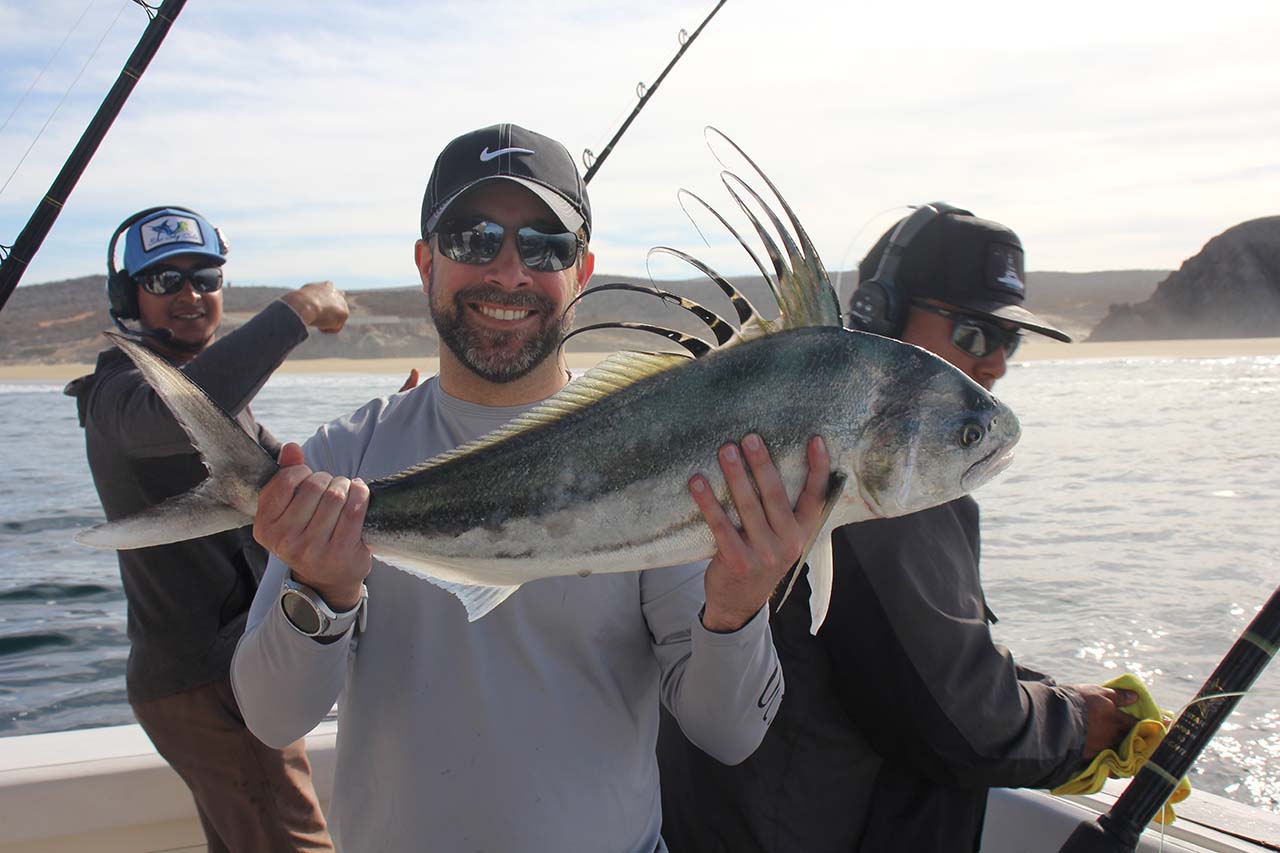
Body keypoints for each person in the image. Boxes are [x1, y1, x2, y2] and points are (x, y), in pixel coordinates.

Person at [230, 123, 831, 852]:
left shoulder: (665, 453)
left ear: (582, 271)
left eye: (547, 245)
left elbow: (728, 731)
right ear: (426, 263)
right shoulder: (345, 458)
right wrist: (322, 594)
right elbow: (270, 715)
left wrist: (737, 610)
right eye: (473, 238)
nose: (509, 272)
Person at [657, 204, 1141, 852]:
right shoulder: (872, 479)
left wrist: (1048, 695)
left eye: (1009, 340)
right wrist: (1083, 723)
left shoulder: (818, 445)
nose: (994, 361)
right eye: (973, 334)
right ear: (881, 317)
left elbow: (911, 660)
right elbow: (962, 723)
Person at [67, 206, 350, 852]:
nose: (190, 296)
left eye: (206, 277)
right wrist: (298, 309)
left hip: (241, 667)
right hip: (203, 682)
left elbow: (287, 476)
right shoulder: (117, 393)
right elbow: (171, 415)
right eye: (165, 281)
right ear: (129, 297)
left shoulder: (217, 399)